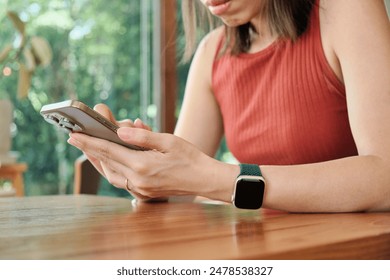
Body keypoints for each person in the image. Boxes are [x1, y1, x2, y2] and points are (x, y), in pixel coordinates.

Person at [68, 0, 390, 212]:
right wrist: (142, 169)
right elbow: (183, 188)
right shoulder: (212, 52)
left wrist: (226, 179)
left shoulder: (346, 11)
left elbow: (385, 178)